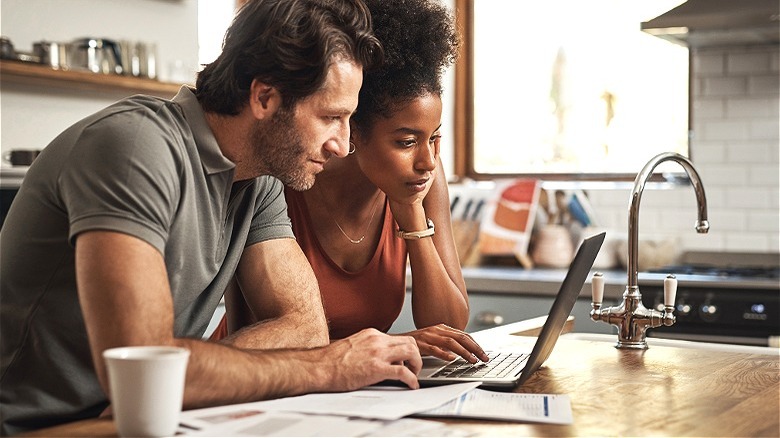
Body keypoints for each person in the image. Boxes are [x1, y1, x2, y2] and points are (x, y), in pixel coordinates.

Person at [0, 0, 424, 435]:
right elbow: (144, 371)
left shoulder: (259, 180)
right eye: (331, 117)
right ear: (264, 97)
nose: (341, 145)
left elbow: (304, 326)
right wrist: (327, 368)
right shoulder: (134, 148)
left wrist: (186, 380)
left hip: (146, 419)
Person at [212, 0, 489, 365]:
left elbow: (449, 325)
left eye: (434, 138)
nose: (427, 161)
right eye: (406, 142)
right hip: (262, 379)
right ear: (352, 128)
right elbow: (255, 333)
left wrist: (411, 217)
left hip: (354, 388)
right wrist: (393, 345)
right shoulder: (282, 179)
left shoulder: (423, 183)